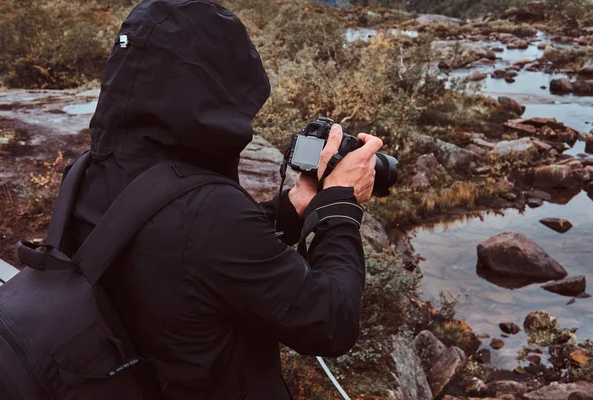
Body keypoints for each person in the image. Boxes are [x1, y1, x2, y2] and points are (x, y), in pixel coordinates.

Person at [66, 0, 383, 398]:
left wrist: (293, 207)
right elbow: (332, 323)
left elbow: (186, 251)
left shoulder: (87, 172)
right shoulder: (210, 215)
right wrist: (340, 204)